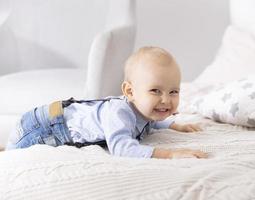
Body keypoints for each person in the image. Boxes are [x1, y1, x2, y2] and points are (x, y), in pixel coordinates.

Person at [6, 46, 208, 159]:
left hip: (54, 117)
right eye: (155, 91)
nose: (165, 100)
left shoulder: (141, 109)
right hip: (44, 127)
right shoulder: (119, 114)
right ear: (129, 91)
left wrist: (176, 125)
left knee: (11, 147)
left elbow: (151, 120)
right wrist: (169, 155)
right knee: (11, 158)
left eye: (173, 91)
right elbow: (121, 147)